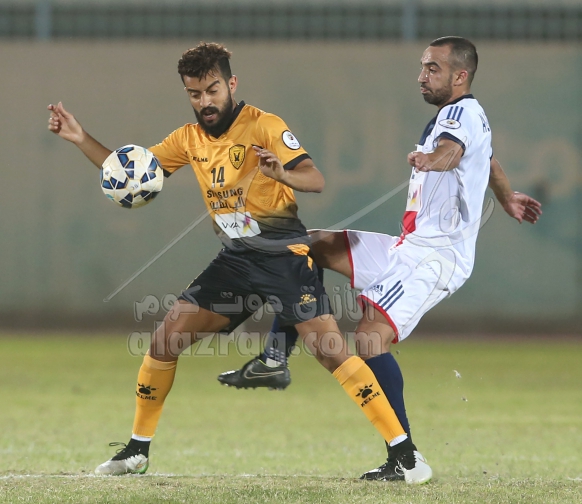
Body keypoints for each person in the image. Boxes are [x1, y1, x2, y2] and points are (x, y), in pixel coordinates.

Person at [47, 42, 433, 484]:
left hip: (283, 257)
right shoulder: (186, 139)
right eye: (195, 94)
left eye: (212, 90)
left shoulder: (264, 125)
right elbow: (130, 174)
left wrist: (281, 173)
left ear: (231, 84)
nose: (204, 102)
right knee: (164, 341)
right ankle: (137, 450)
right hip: (236, 261)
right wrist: (81, 138)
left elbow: (315, 179)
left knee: (331, 353)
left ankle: (405, 455)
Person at [218, 36, 542, 481]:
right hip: (409, 247)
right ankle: (275, 358)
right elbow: (487, 159)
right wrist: (506, 197)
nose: (422, 76)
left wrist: (433, 159)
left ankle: (406, 460)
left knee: (370, 339)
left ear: (461, 75)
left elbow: (453, 152)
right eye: (423, 66)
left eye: (433, 68)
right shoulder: (467, 117)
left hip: (433, 256)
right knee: (307, 245)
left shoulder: (458, 115)